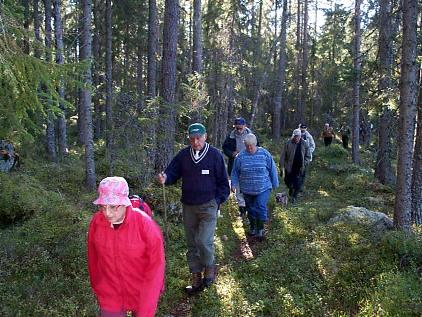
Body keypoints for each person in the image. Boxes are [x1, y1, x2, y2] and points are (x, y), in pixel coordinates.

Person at [157, 123, 230, 295]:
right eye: (192, 139)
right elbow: (172, 173)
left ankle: (210, 268)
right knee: (191, 243)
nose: (196, 142)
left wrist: (217, 201)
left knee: (203, 241)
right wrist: (164, 177)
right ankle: (196, 277)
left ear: (205, 137)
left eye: (198, 138)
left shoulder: (215, 156)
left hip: (208, 205)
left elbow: (223, 184)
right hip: (188, 205)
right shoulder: (183, 155)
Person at [88, 176, 165, 317]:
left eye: (113, 207)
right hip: (110, 293)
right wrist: (98, 286)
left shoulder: (145, 225)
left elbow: (156, 267)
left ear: (125, 203)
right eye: (103, 207)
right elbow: (93, 258)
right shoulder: (97, 222)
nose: (107, 213)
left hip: (142, 291)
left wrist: (147, 307)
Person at [231, 133, 279, 240]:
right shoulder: (240, 157)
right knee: (251, 209)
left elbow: (272, 169)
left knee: (260, 206)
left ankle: (260, 229)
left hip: (263, 188)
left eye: (251, 145)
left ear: (255, 143)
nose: (249, 147)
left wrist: (275, 183)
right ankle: (253, 227)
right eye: (247, 145)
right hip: (247, 189)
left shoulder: (264, 154)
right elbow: (235, 172)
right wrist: (233, 183)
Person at [222, 117, 258, 217]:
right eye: (237, 128)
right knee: (237, 187)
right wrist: (231, 153)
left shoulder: (251, 136)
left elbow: (258, 147)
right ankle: (242, 208)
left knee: (247, 186)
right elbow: (225, 147)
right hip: (235, 164)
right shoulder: (231, 136)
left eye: (240, 128)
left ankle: (249, 206)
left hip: (249, 165)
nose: (238, 130)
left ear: (245, 126)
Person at [279, 129, 311, 204]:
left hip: (300, 167)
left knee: (298, 184)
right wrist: (281, 167)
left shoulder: (304, 143)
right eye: (295, 136)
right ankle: (291, 189)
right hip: (289, 167)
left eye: (298, 136)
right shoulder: (288, 143)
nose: (297, 138)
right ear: (293, 136)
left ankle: (294, 197)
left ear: (300, 136)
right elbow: (283, 156)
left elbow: (308, 156)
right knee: (288, 182)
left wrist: (305, 163)